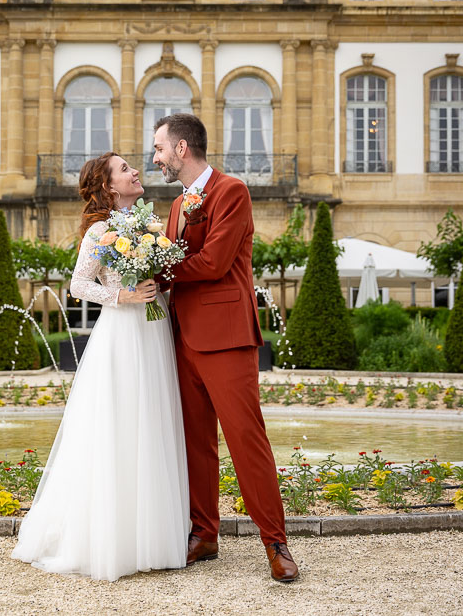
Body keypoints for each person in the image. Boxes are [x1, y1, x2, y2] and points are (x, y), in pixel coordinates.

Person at [11, 152, 189, 582]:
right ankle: (113, 539)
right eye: (125, 169)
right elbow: (78, 284)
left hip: (154, 330)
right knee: (121, 424)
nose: (135, 171)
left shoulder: (150, 225)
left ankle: (154, 535)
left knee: (153, 422)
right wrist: (123, 296)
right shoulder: (100, 229)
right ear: (109, 186)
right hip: (122, 333)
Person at [153, 113, 299, 583]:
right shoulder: (177, 205)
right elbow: (177, 261)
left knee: (246, 440)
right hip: (182, 337)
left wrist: (156, 271)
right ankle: (204, 534)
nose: (155, 159)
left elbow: (214, 262)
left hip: (227, 337)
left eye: (159, 149)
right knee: (196, 443)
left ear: (181, 148)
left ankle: (275, 543)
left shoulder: (232, 191)